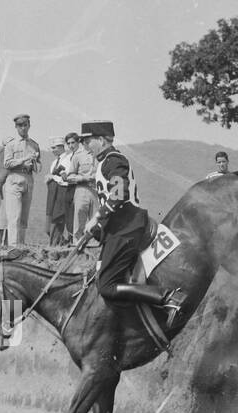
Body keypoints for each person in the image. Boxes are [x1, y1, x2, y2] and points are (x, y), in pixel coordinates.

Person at [78, 120, 188, 327]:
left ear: (101, 140)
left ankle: (168, 297)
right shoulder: (104, 162)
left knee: (106, 286)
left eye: (87, 141)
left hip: (126, 227)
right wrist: (97, 228)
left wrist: (96, 217)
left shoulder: (113, 160)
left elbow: (119, 195)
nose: (84, 146)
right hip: (118, 227)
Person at [0, 113, 41, 244]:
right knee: (14, 217)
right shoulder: (11, 145)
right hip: (14, 179)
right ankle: (13, 246)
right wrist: (23, 160)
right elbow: (7, 163)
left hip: (28, 180)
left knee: (24, 217)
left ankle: (21, 246)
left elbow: (39, 168)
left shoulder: (34, 145)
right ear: (16, 127)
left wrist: (34, 162)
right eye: (19, 126)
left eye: (25, 125)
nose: (22, 128)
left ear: (29, 125)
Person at [64, 131, 97, 234]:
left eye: (90, 141)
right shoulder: (78, 156)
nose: (87, 143)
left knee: (96, 220)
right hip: (82, 189)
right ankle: (77, 245)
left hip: (97, 191)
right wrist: (83, 178)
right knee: (79, 220)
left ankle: (95, 247)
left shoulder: (100, 155)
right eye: (85, 141)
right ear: (82, 142)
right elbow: (70, 176)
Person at [44, 137, 73, 245]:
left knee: (57, 221)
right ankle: (63, 244)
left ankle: (55, 248)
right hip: (52, 194)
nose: (52, 150)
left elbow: (67, 179)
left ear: (61, 147)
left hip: (62, 192)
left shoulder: (69, 159)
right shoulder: (54, 162)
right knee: (48, 227)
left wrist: (53, 177)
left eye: (54, 147)